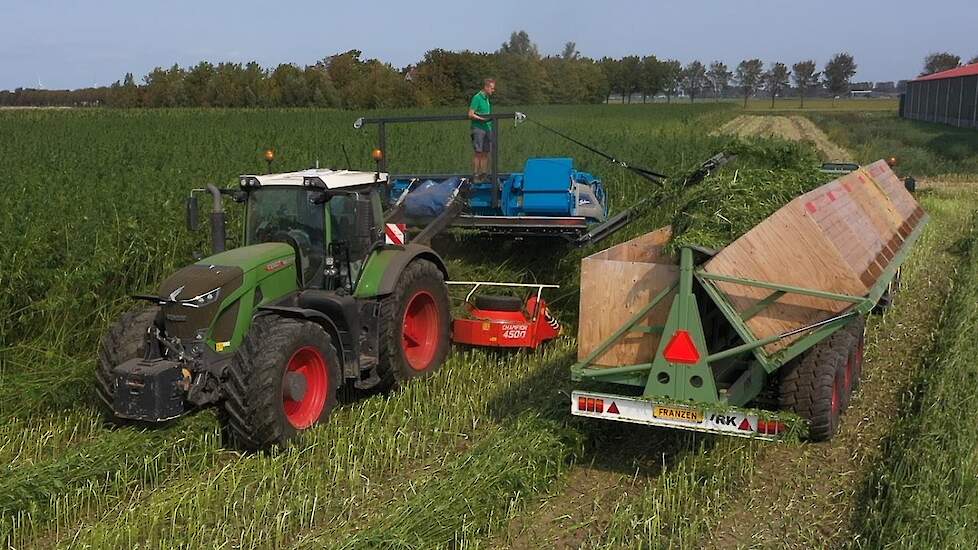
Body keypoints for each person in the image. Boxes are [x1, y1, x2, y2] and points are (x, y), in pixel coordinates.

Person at [468, 78, 495, 181]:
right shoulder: (477, 98)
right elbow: (470, 114)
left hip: (488, 128)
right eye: (492, 88)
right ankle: (475, 174)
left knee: (485, 152)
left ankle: (483, 174)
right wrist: (482, 119)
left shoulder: (486, 98)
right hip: (479, 128)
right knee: (478, 152)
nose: (493, 90)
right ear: (486, 87)